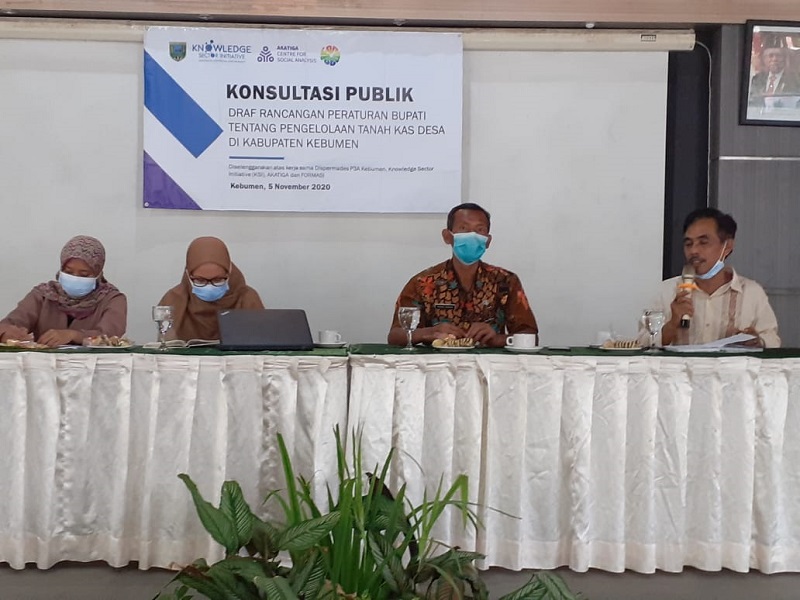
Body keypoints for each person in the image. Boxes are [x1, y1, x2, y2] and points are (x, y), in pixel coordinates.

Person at [387, 202, 538, 348]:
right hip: (438, 362)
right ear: (447, 236)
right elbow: (395, 336)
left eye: (480, 230)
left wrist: (497, 339)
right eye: (464, 229)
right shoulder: (423, 283)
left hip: (490, 363)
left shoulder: (506, 281)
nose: (472, 235)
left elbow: (531, 337)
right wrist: (429, 333)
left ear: (487, 241)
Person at [651, 208, 780, 348]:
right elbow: (644, 342)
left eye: (703, 242)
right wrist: (672, 324)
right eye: (688, 244)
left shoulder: (751, 292)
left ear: (727, 246)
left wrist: (757, 341)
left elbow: (773, 341)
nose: (693, 251)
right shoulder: (667, 291)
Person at [0, 235, 127, 347]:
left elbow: (111, 336)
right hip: (42, 365)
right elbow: (12, 321)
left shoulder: (112, 299)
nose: (75, 278)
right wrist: (7, 332)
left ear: (98, 274)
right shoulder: (43, 295)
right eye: (68, 272)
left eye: (84, 274)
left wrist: (74, 335)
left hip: (94, 365)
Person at [159, 236, 265, 341]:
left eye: (218, 279)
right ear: (188, 276)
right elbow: (165, 344)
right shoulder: (174, 300)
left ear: (229, 273)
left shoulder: (247, 298)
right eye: (200, 280)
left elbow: (262, 341)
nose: (209, 287)